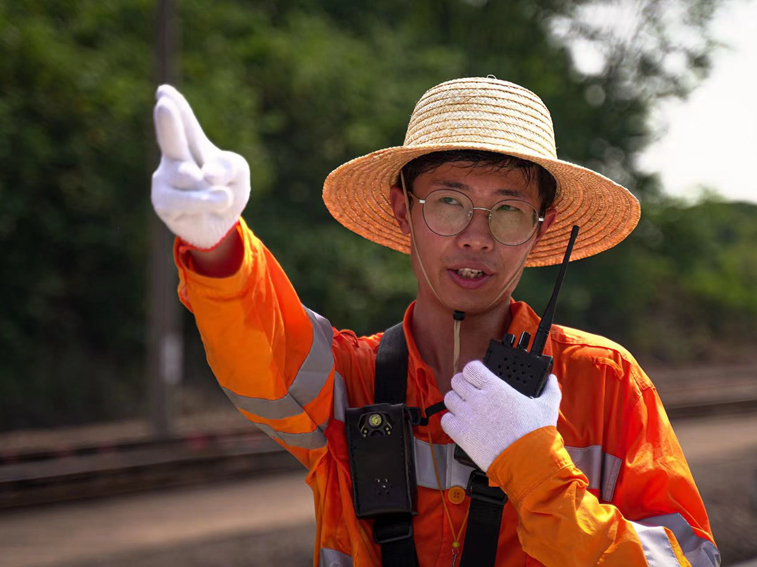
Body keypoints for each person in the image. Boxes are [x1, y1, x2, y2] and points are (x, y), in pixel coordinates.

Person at [151, 77, 719, 566]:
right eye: (448, 202)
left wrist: (531, 461)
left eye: (508, 210)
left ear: (540, 231)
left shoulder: (605, 382)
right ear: (403, 212)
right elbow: (263, 344)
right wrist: (218, 246)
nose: (475, 235)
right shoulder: (348, 381)